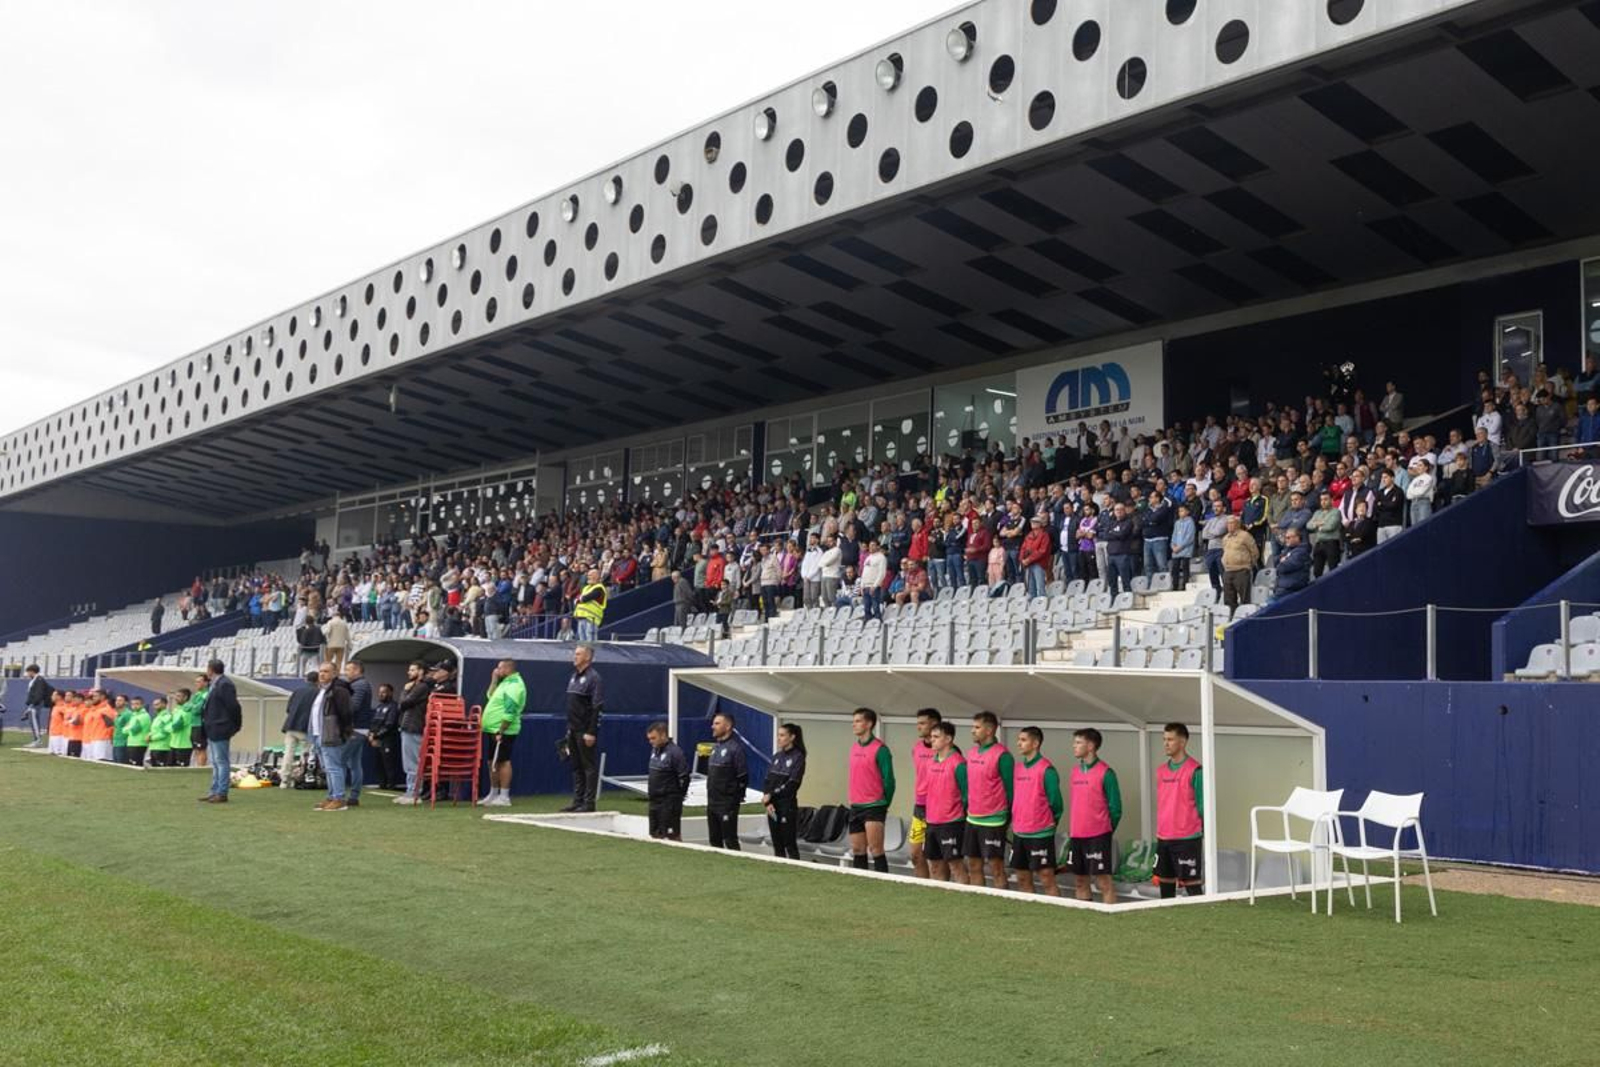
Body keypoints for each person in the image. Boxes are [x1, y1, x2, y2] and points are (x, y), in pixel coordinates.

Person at [1064, 728, 1121, 904]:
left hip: (1098, 836)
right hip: (1077, 835)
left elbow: (1116, 808)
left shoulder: (1106, 773)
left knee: (1103, 881)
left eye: (1078, 742)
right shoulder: (1074, 771)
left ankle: (1112, 919)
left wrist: (1104, 830)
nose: (1074, 746)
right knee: (1080, 881)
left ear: (1090, 746)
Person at [1009, 726, 1064, 897]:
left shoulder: (1047, 770)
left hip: (1040, 834)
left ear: (1036, 743)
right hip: (1019, 832)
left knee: (1046, 877)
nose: (1018, 743)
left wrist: (1047, 824)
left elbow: (1056, 804)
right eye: (1018, 739)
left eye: (1023, 740)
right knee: (1022, 878)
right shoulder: (1018, 768)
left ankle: (1056, 915)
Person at [963, 711, 1014, 889]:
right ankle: (978, 904)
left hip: (994, 820)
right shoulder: (971, 753)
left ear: (990, 730)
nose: (972, 731)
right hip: (972, 818)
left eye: (977, 727)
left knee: (996, 867)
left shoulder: (1003, 756)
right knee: (974, 866)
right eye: (973, 727)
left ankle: (1003, 905)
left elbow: (1010, 790)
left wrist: (1008, 818)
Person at [1155, 722, 1205, 898]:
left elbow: (1202, 805)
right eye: (1164, 739)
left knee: (1193, 887)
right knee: (1165, 886)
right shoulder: (1160, 771)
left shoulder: (1195, 770)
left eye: (1170, 739)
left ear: (1182, 742)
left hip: (1187, 838)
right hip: (1164, 837)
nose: (1166, 744)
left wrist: (1201, 831)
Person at [847, 707, 895, 872]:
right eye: (853, 721)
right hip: (855, 807)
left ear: (869, 724)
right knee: (858, 850)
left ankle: (884, 885)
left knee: (876, 850)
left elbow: (889, 781)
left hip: (874, 807)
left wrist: (883, 804)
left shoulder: (880, 749)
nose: (854, 725)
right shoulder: (853, 748)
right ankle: (860, 884)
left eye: (858, 721)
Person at [923, 721, 968, 885]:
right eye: (931, 736)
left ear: (948, 739)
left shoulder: (959, 763)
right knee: (934, 866)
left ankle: (964, 899)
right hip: (931, 821)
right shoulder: (930, 762)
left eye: (936, 737)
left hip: (951, 823)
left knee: (955, 865)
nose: (932, 740)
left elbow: (966, 795)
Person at [562, 644, 604, 813]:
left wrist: (591, 731)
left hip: (584, 730)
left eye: (578, 654)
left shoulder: (594, 678)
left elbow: (597, 706)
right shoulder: (573, 677)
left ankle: (589, 802)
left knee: (588, 766)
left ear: (588, 657)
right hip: (572, 728)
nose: (575, 656)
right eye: (575, 653)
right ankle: (577, 801)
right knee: (576, 766)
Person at [480, 659, 526, 807]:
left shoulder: (514, 685)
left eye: (499, 668)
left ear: (507, 668)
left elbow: (510, 710)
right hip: (492, 729)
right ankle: (493, 793)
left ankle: (504, 796)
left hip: (503, 730)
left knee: (503, 761)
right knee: (491, 762)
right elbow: (490, 695)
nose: (496, 670)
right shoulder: (505, 683)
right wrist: (494, 679)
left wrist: (502, 730)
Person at [310, 661, 354, 811]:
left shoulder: (339, 691)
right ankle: (331, 796)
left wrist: (342, 732)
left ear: (335, 674)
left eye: (326, 671)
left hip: (331, 734)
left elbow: (346, 714)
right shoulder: (322, 690)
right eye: (321, 671)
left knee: (334, 767)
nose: (322, 674)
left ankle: (339, 798)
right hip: (319, 734)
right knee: (327, 768)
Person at [199, 659, 242, 804]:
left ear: (211, 669)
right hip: (213, 728)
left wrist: (235, 725)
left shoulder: (225, 684)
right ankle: (214, 791)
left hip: (220, 727)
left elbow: (233, 706)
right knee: (216, 762)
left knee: (221, 761)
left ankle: (221, 792)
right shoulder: (216, 684)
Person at [705, 711, 748, 849]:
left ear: (728, 726)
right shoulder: (716, 748)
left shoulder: (735, 749)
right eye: (713, 723)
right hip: (712, 802)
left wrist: (734, 798)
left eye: (717, 723)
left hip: (727, 803)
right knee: (714, 840)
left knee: (729, 839)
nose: (713, 726)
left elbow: (743, 776)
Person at [763, 722, 807, 860]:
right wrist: (767, 802)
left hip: (787, 806)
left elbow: (792, 784)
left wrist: (772, 795)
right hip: (772, 807)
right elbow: (767, 781)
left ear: (792, 737)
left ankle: (796, 871)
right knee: (777, 844)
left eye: (782, 735)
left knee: (789, 844)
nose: (779, 738)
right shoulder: (776, 756)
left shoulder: (798, 757)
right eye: (778, 735)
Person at [393, 661, 433, 805]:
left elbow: (403, 703)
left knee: (413, 762)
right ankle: (411, 791)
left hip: (414, 727)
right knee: (409, 762)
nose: (409, 672)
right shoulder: (420, 686)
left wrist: (405, 690)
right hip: (409, 726)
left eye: (413, 670)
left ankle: (414, 793)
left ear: (421, 671)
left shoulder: (422, 686)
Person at [909, 707, 941, 880]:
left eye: (922, 723)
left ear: (934, 724)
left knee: (936, 859)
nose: (918, 727)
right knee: (915, 854)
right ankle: (922, 885)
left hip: (937, 808)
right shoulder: (916, 748)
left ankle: (940, 889)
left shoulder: (947, 750)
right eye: (918, 723)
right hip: (919, 807)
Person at [645, 721, 690, 841]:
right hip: (655, 800)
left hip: (669, 801)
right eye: (649, 739)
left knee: (672, 835)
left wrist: (678, 796)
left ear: (663, 735)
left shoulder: (675, 753)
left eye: (653, 738)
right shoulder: (655, 751)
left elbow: (684, 776)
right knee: (655, 833)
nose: (651, 742)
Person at [280, 671, 318, 788]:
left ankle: (284, 780)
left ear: (306, 679)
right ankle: (301, 778)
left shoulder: (297, 691)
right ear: (317, 681)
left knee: (288, 753)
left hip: (291, 726)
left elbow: (289, 708)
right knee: (305, 755)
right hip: (306, 727)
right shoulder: (318, 692)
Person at [344, 660, 373, 806]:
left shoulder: (359, 685)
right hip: (359, 728)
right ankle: (353, 797)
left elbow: (353, 706)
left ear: (357, 670)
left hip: (355, 729)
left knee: (340, 762)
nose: (346, 672)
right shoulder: (359, 685)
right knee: (354, 764)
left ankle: (338, 796)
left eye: (348, 669)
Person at [368, 682, 403, 790]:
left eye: (384, 692)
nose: (381, 694)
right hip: (377, 740)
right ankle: (382, 784)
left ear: (390, 693)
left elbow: (390, 724)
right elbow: (373, 723)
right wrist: (371, 735)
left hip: (388, 739)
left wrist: (376, 736)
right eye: (380, 692)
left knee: (389, 764)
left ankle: (391, 785)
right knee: (379, 764)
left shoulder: (393, 707)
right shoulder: (379, 707)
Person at [21, 664, 51, 748]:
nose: (27, 674)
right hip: (34, 704)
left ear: (31, 671)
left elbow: (39, 694)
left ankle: (38, 741)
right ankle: (36, 740)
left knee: (34, 722)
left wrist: (32, 704)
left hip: (36, 704)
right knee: (32, 722)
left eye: (28, 672)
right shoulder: (35, 680)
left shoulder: (39, 680)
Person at [574, 568, 607, 642]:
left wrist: (580, 599)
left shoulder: (599, 588)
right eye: (588, 575)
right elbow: (577, 598)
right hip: (581, 617)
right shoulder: (586, 588)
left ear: (596, 576)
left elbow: (586, 598)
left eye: (590, 575)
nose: (588, 577)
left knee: (590, 642)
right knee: (582, 642)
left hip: (591, 619)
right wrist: (580, 599)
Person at [123, 697, 151, 766]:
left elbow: (134, 730)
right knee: (131, 765)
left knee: (137, 765)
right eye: (132, 704)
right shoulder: (134, 715)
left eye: (137, 704)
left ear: (142, 705)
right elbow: (124, 730)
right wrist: (128, 728)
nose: (134, 706)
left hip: (139, 744)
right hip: (131, 743)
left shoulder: (144, 716)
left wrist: (128, 727)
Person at [146, 697, 174, 767]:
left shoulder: (167, 716)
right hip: (154, 747)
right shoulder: (157, 717)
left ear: (164, 704)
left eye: (157, 704)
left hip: (163, 748)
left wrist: (151, 738)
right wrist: (149, 735)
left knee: (162, 772)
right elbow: (154, 730)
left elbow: (165, 732)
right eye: (154, 705)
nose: (154, 707)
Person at [111, 694, 132, 765]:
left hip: (123, 743)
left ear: (126, 703)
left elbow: (129, 728)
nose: (117, 702)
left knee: (122, 764)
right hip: (116, 742)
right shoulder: (117, 713)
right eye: (117, 700)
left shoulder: (128, 714)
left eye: (120, 700)